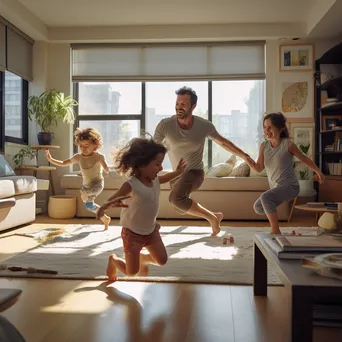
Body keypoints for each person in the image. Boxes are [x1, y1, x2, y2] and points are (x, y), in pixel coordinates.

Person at [154, 86, 255, 236]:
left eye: (183, 104)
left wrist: (245, 156)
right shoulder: (165, 125)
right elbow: (153, 147)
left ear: (193, 106)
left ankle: (212, 218)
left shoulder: (203, 125)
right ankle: (215, 215)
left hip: (195, 172)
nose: (178, 107)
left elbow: (223, 142)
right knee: (179, 206)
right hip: (177, 174)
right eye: (177, 103)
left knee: (175, 198)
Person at [96, 137, 186, 281]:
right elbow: (113, 197)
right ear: (142, 164)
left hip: (150, 231)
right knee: (131, 272)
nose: (161, 168)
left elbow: (167, 177)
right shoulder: (131, 185)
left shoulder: (155, 179)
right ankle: (113, 260)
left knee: (162, 260)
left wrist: (179, 172)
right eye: (157, 164)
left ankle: (142, 258)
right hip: (132, 234)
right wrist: (104, 207)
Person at [250, 112, 325, 234]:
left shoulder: (288, 145)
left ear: (280, 128)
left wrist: (318, 171)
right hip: (277, 187)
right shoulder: (263, 146)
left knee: (265, 197)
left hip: (291, 186)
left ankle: (275, 230)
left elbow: (304, 158)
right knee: (258, 207)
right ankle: (275, 221)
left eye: (270, 127)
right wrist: (249, 161)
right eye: (264, 127)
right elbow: (258, 168)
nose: (266, 130)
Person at [45, 127, 112, 230]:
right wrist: (51, 159)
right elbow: (63, 163)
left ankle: (88, 194)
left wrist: (108, 170)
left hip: (97, 183)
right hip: (86, 186)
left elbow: (106, 167)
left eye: (86, 145)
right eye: (81, 146)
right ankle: (104, 218)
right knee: (89, 206)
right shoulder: (78, 157)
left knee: (89, 192)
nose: (83, 148)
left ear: (95, 145)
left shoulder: (99, 156)